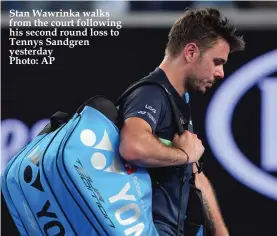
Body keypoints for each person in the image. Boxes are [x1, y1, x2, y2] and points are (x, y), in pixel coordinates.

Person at [119, 8, 245, 236]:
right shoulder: (151, 93)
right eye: (217, 62)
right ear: (190, 52)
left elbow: (194, 173)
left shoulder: (179, 98)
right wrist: (185, 154)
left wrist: (220, 232)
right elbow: (132, 145)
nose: (221, 73)